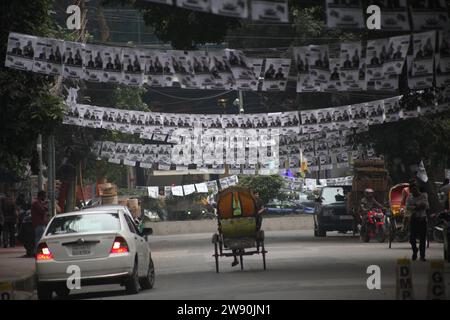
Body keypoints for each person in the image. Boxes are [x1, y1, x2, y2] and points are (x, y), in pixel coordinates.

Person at [406, 180, 429, 261]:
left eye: (416, 189)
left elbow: (425, 206)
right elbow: (408, 207)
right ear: (411, 190)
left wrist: (415, 206)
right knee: (412, 238)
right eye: (413, 190)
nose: (414, 191)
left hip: (422, 219)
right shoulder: (409, 197)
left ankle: (422, 256)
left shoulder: (424, 195)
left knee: (422, 239)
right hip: (414, 219)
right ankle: (415, 251)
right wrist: (417, 206)